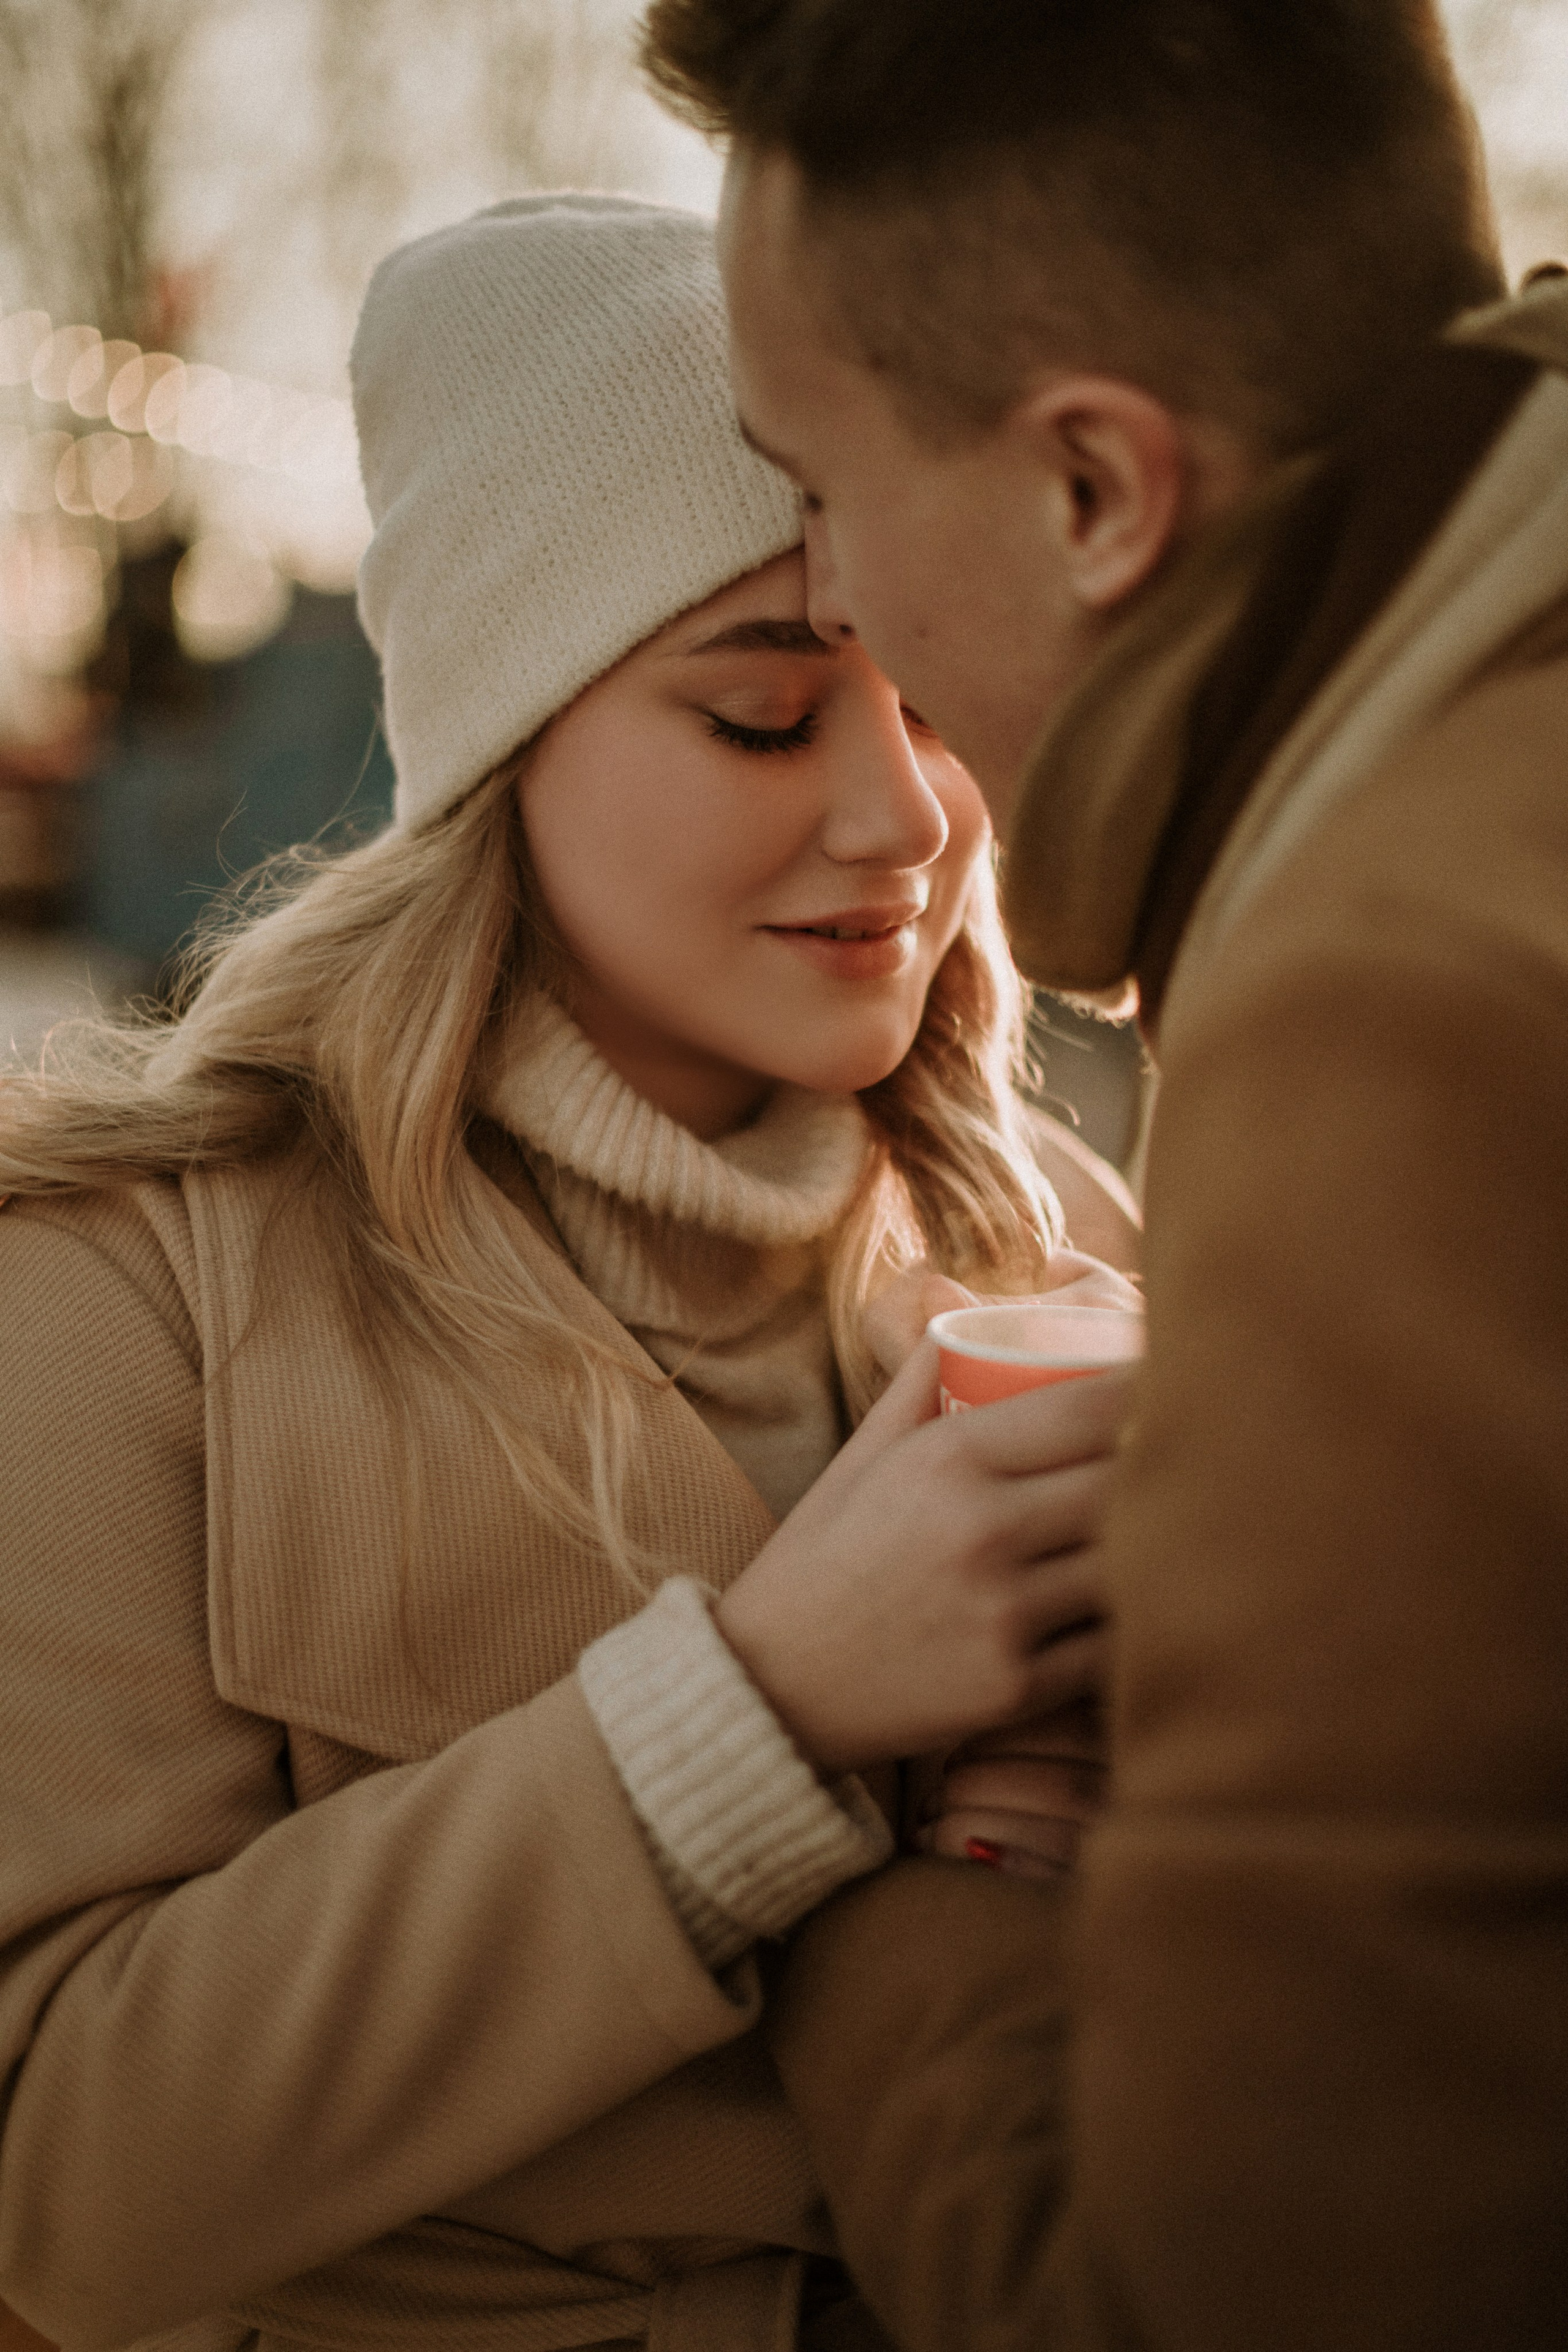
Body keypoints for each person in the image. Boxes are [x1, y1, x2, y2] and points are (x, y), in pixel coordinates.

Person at [0, 195, 1140, 2352]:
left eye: (934, 697)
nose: (906, 817)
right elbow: (48, 2178)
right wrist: (764, 1711)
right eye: (760, 717)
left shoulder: (1072, 1249)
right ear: (504, 757)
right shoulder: (114, 1305)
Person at [635, 4, 1568, 2348]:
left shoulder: (1401, 1005)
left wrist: (852, 1865)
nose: (832, 596)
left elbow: (1229, 2303)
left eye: (823, 487)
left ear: (1094, 492)